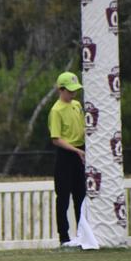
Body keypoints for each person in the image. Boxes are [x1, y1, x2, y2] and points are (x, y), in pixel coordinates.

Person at [47, 71, 86, 246]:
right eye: (70, 91)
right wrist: (76, 151)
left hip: (81, 152)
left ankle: (82, 234)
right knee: (63, 198)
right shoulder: (56, 110)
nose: (73, 94)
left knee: (81, 196)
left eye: (75, 90)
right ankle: (64, 237)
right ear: (61, 90)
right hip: (66, 155)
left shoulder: (77, 105)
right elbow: (56, 139)